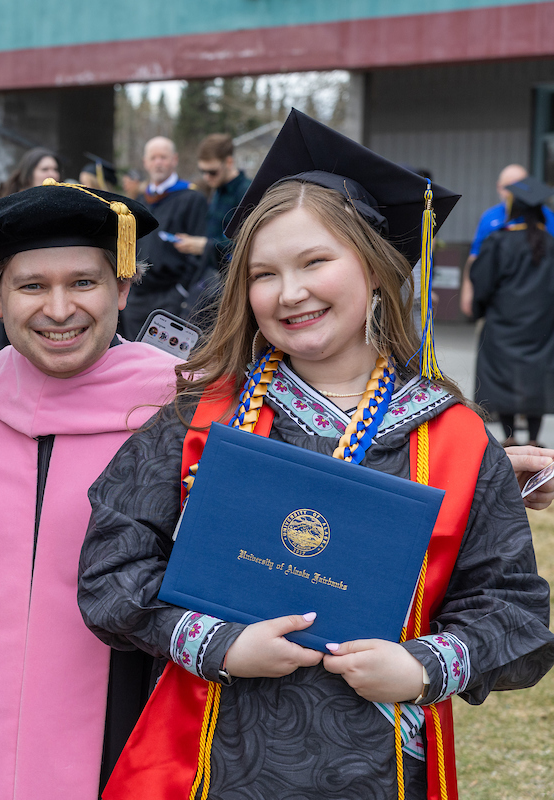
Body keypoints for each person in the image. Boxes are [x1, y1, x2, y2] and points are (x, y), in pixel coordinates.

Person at [79, 110, 554, 799]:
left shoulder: (453, 438)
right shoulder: (197, 418)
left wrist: (423, 667)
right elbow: (109, 574)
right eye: (264, 273)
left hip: (375, 766)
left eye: (315, 261)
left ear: (376, 265)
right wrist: (219, 645)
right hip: (212, 757)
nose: (291, 291)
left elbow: (513, 615)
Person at [0, 181, 179, 799]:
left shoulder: (180, 413)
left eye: (84, 282)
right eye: (32, 286)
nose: (60, 308)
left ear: (123, 289)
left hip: (124, 714)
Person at [471, 179, 554, 446]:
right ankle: (533, 438)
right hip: (542, 326)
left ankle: (508, 437)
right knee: (536, 377)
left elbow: (482, 283)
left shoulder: (499, 242)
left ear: (512, 209)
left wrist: (479, 310)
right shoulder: (551, 244)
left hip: (503, 323)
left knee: (502, 375)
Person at [122, 135, 209, 337]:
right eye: (153, 158)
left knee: (165, 361)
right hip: (136, 297)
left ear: (174, 160)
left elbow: (199, 250)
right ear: (145, 163)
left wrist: (182, 290)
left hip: (171, 296)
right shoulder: (138, 202)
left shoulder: (191, 198)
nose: (158, 162)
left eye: (163, 157)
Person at [459, 164, 554, 317]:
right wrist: (468, 295)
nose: (512, 194)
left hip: (540, 307)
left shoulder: (547, 219)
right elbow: (475, 256)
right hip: (500, 304)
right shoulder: (490, 217)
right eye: (507, 187)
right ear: (498, 187)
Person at [171, 133, 252, 274]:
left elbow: (247, 241)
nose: (206, 177)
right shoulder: (216, 189)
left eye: (212, 172)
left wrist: (205, 246)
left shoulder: (247, 191)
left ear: (229, 162)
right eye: (202, 171)